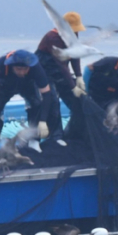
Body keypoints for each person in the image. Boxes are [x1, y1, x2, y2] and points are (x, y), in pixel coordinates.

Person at [0, 49, 62, 148]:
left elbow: (46, 95)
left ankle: (33, 141)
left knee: (36, 105)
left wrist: (43, 121)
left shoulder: (36, 68)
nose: (22, 72)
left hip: (27, 85)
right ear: (12, 66)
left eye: (25, 69)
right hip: (3, 86)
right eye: (19, 69)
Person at [35, 11, 86, 140]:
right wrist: (72, 86)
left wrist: (79, 76)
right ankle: (55, 137)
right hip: (44, 71)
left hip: (60, 72)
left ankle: (76, 132)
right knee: (53, 101)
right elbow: (61, 63)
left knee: (79, 100)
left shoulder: (73, 35)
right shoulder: (53, 38)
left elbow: (74, 55)